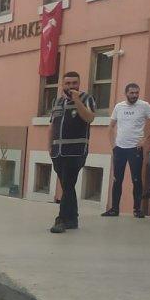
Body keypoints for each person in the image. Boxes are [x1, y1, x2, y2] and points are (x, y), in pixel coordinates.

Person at [48, 71, 96, 233]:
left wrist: (76, 100)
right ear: (62, 85)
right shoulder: (57, 101)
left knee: (67, 184)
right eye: (67, 84)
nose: (71, 87)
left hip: (75, 151)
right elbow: (52, 125)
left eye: (74, 83)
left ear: (79, 84)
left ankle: (61, 219)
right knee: (67, 185)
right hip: (57, 152)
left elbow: (89, 118)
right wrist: (49, 146)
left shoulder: (86, 99)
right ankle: (72, 219)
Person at [103, 83, 150, 218]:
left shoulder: (144, 105)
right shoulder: (119, 106)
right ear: (126, 93)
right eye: (132, 93)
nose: (134, 95)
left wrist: (145, 139)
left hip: (135, 148)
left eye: (136, 93)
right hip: (120, 148)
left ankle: (137, 209)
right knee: (117, 179)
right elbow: (110, 127)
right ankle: (115, 209)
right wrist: (113, 145)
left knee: (136, 179)